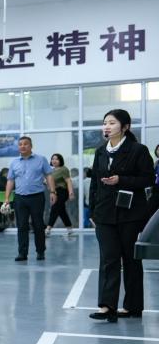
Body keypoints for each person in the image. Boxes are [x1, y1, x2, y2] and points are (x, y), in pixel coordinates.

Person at [87, 109, 155, 322]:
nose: (106, 127)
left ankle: (133, 306)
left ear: (125, 127)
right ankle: (107, 306)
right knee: (108, 259)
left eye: (112, 123)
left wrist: (121, 180)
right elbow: (95, 183)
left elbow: (148, 179)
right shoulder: (100, 151)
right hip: (104, 214)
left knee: (131, 260)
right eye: (105, 123)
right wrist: (92, 210)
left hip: (130, 213)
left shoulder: (138, 150)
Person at [2, 136, 56, 262]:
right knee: (22, 226)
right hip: (20, 198)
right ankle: (22, 253)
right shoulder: (14, 163)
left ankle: (40, 251)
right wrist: (7, 198)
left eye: (25, 144)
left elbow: (49, 176)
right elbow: (10, 181)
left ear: (31, 146)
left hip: (37, 197)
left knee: (38, 225)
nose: (23, 146)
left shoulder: (41, 159)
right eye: (20, 144)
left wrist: (53, 191)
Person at [46, 153, 75, 236]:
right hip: (54, 192)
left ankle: (48, 229)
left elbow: (68, 181)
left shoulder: (63, 169)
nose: (54, 161)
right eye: (53, 159)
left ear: (60, 160)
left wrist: (71, 192)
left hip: (62, 191)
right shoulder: (51, 171)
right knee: (61, 211)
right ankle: (70, 229)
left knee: (55, 209)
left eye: (56, 159)